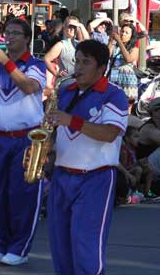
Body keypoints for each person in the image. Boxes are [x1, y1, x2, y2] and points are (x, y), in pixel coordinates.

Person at [46, 39, 128, 275]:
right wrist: (44, 148)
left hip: (95, 178)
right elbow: (53, 128)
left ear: (102, 68)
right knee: (60, 247)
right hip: (62, 175)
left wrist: (71, 120)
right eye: (77, 61)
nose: (78, 67)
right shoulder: (65, 91)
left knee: (86, 247)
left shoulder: (114, 95)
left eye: (86, 62)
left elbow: (110, 133)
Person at [0, 18, 46, 266]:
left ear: (27, 39)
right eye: (7, 33)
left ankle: (19, 248)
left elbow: (29, 87)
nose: (9, 37)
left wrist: (5, 62)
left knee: (22, 195)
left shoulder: (36, 65)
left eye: (15, 33)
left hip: (26, 138)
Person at [107, 23, 140, 102]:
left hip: (127, 78)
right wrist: (112, 41)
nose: (123, 34)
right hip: (114, 74)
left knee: (126, 102)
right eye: (122, 31)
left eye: (126, 33)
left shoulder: (134, 49)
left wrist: (119, 41)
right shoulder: (115, 46)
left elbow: (128, 59)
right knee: (112, 101)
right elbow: (107, 55)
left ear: (131, 36)